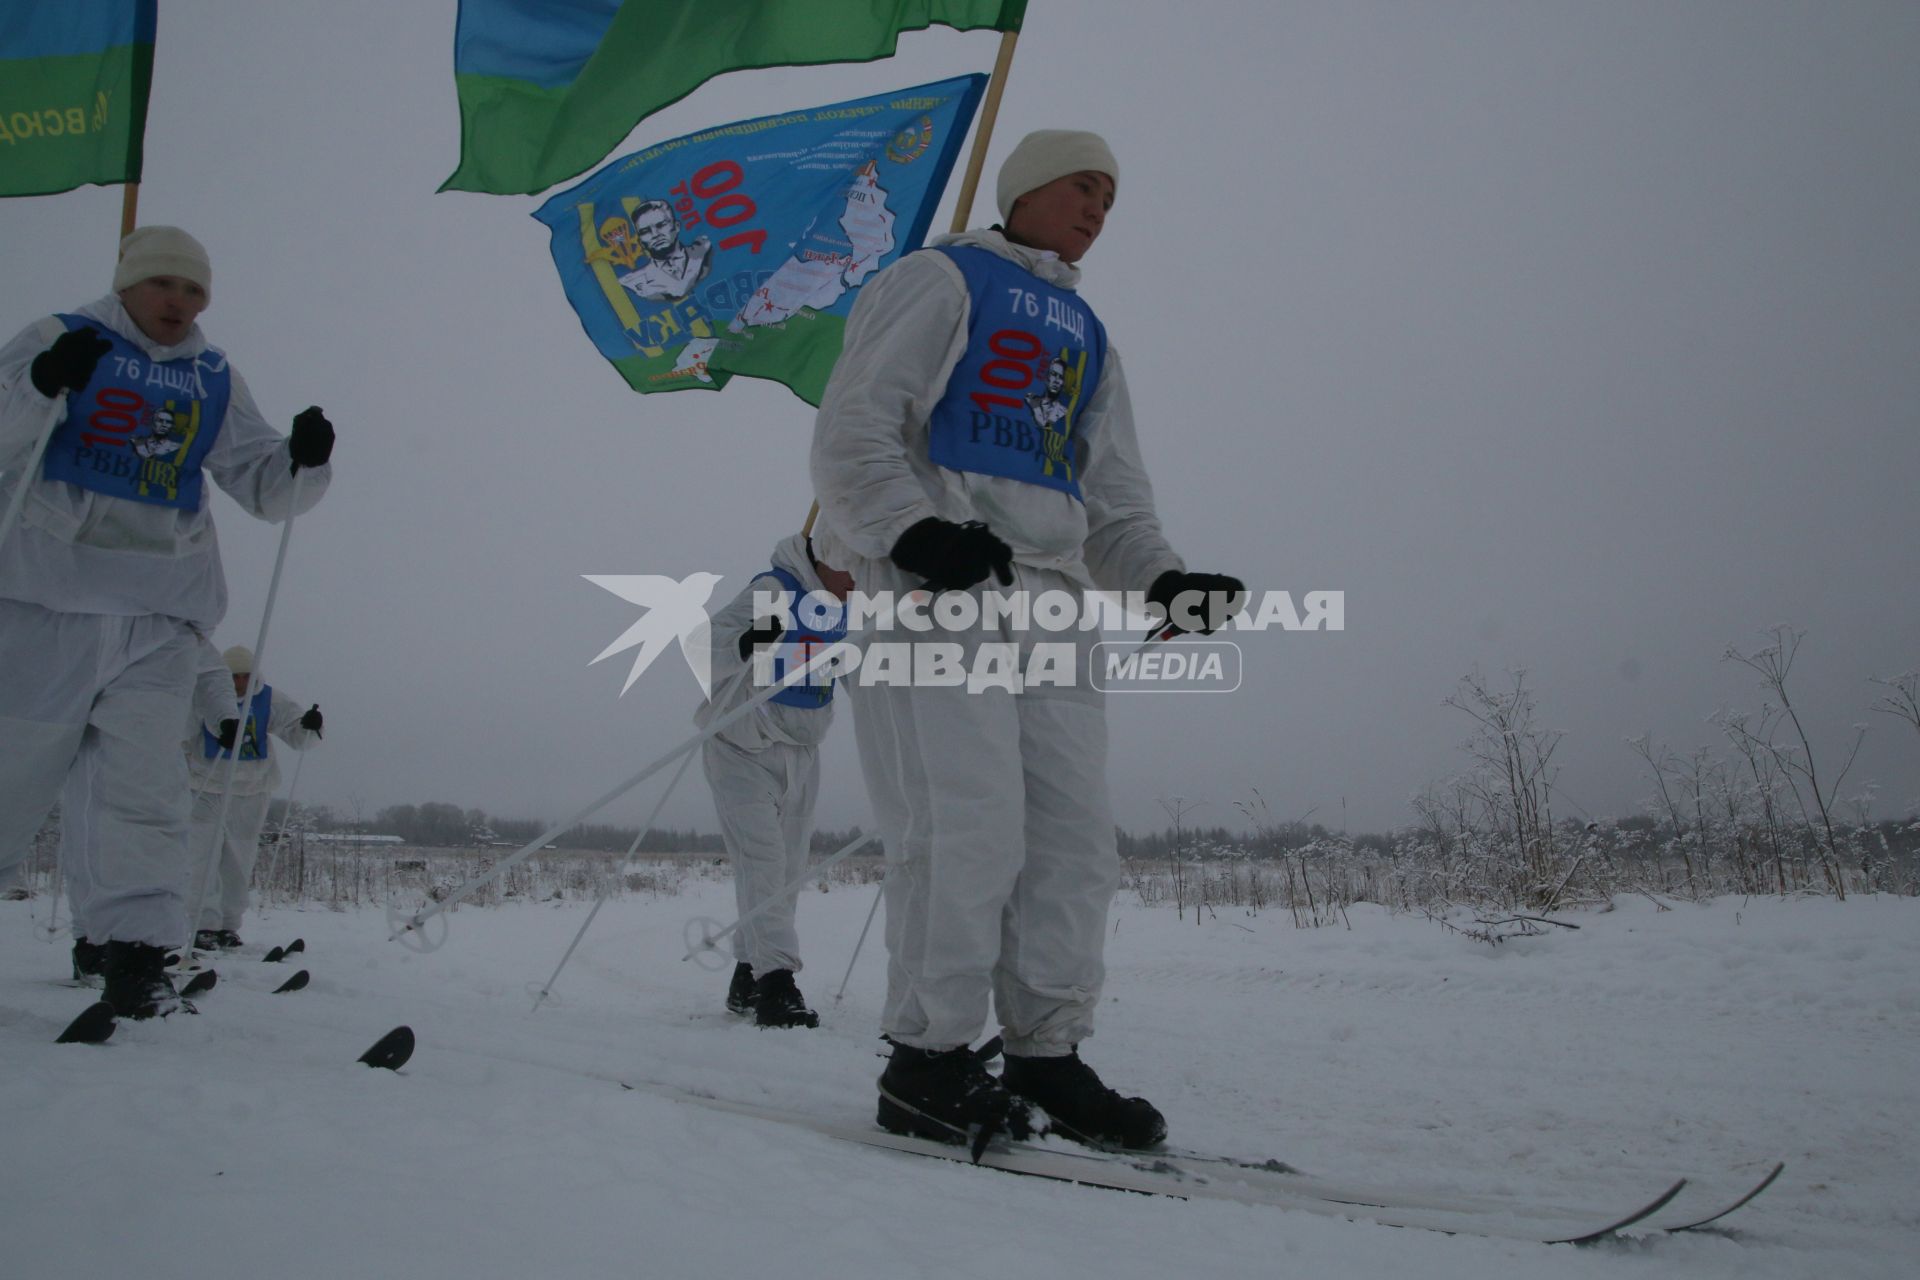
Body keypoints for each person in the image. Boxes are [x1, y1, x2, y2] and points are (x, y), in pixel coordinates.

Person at [809, 131, 1244, 1150]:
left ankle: (1046, 1051)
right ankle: (929, 1057)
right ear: (1025, 188)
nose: (1098, 208)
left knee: (1071, 842)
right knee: (965, 827)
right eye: (1083, 186)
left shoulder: (1087, 330)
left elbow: (1112, 494)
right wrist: (910, 529)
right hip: (939, 583)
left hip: (1051, 598)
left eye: (1111, 197)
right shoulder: (938, 276)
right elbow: (855, 424)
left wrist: (1165, 580)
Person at [0, 225, 335, 1022]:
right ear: (127, 283)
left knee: (145, 792)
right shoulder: (60, 338)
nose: (179, 303)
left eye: (194, 291)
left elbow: (262, 485)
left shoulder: (211, 376)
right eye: (164, 286)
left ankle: (138, 956)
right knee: (11, 780)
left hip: (161, 611)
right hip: (47, 598)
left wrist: (302, 459)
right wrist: (41, 386)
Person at [696, 532, 853, 1028]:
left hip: (803, 752)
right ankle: (777, 984)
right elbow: (703, 646)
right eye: (853, 569)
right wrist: (749, 641)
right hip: (741, 747)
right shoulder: (775, 588)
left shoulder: (844, 607)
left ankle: (748, 973)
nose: (860, 583)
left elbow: (856, 669)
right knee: (761, 860)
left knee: (787, 871)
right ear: (828, 558)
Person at [184, 641, 322, 951]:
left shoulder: (268, 699)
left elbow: (297, 733)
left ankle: (229, 925)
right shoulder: (201, 696)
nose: (240, 683)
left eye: (245, 676)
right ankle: (202, 924)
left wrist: (310, 726)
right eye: (233, 677)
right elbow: (179, 733)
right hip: (205, 786)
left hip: (251, 790)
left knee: (238, 859)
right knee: (201, 856)